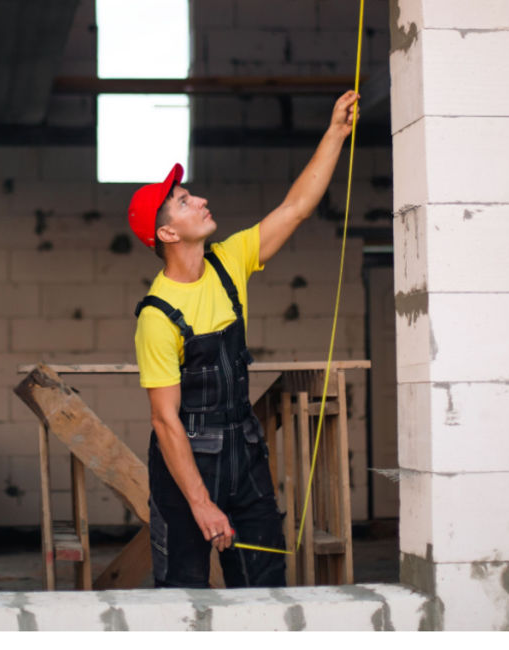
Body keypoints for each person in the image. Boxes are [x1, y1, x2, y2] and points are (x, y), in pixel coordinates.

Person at [126, 90, 359, 588]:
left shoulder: (230, 262)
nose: (201, 200)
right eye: (185, 202)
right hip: (187, 465)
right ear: (167, 235)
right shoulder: (157, 316)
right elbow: (166, 421)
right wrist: (200, 502)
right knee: (183, 595)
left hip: (245, 455)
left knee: (263, 586)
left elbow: (296, 207)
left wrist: (335, 133)